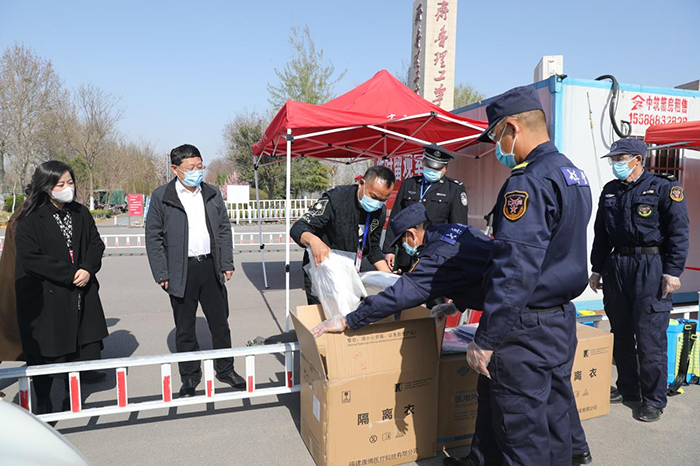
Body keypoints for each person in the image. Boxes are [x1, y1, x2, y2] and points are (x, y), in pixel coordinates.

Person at [451, 86, 593, 466]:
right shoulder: (572, 174)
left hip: (524, 328)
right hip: (559, 320)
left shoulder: (527, 181)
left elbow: (515, 268)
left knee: (522, 433)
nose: (498, 148)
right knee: (554, 421)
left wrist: (486, 338)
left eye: (497, 136)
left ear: (512, 128)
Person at [589, 138, 689, 422]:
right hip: (618, 265)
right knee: (620, 332)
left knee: (649, 337)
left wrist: (673, 272)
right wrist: (597, 269)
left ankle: (654, 399)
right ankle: (628, 388)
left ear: (637, 160)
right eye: (614, 160)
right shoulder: (611, 190)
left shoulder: (664, 188)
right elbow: (601, 233)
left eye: (620, 159)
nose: (615, 164)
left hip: (651, 265)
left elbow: (679, 232)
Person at [146, 144, 244, 398]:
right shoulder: (162, 196)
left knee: (220, 324)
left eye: (200, 166)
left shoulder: (211, 193)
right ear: (175, 169)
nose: (197, 172)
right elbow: (153, 238)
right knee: (185, 327)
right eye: (190, 168)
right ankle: (189, 376)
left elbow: (224, 229)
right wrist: (162, 273)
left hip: (210, 266)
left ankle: (226, 370)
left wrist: (226, 262)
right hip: (181, 270)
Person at [310, 203, 491, 336]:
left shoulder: (435, 256)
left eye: (402, 241)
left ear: (411, 233)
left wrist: (347, 320)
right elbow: (472, 268)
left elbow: (397, 297)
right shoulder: (457, 229)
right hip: (502, 291)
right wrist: (456, 305)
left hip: (503, 308)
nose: (403, 247)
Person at [13, 161, 109, 414]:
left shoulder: (80, 212)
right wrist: (69, 274)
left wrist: (87, 268)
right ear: (46, 187)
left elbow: (96, 244)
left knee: (77, 349)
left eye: (70, 182)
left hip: (80, 291)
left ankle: (71, 396)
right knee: (45, 353)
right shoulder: (29, 218)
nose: (68, 188)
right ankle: (43, 399)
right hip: (46, 295)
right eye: (60, 184)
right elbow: (31, 258)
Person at [290, 165, 394, 305]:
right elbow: (299, 227)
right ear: (361, 184)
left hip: (351, 273)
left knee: (352, 314)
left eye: (383, 199)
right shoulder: (336, 199)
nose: (377, 203)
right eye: (374, 197)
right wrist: (314, 241)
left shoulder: (379, 212)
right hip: (322, 271)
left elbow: (373, 249)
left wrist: (390, 279)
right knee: (323, 315)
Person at [383, 145, 469, 273]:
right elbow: (396, 218)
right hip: (406, 254)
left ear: (446, 168)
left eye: (437, 168)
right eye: (429, 166)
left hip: (433, 256)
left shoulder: (454, 189)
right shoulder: (409, 184)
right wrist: (389, 250)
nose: (433, 170)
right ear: (423, 162)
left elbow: (458, 227)